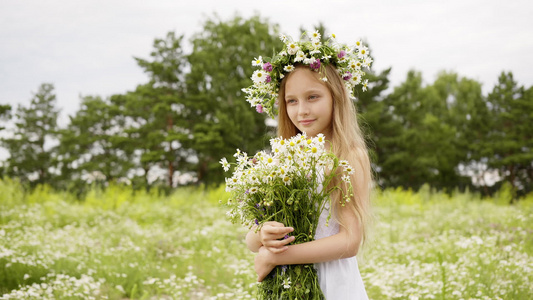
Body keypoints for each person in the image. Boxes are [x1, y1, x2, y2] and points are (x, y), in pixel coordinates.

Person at [243, 32, 373, 299]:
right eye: (292, 100)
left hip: (332, 282)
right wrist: (263, 235)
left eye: (313, 97)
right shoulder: (282, 157)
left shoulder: (347, 154)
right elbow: (251, 241)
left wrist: (278, 257)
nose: (301, 110)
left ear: (335, 96)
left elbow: (350, 242)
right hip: (289, 285)